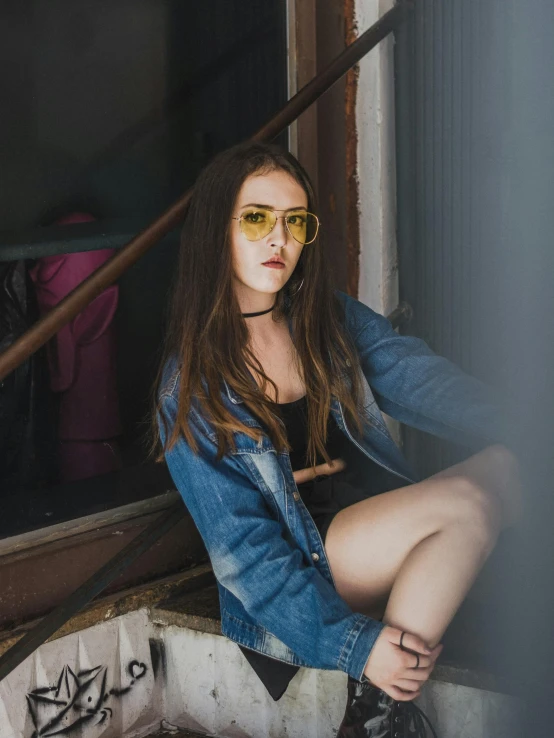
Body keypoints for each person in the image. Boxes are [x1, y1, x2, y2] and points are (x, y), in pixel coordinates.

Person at [153, 141, 521, 737]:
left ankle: (371, 720)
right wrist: (358, 646)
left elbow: (420, 379)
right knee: (472, 501)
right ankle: (378, 704)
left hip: (388, 528)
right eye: (256, 218)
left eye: (295, 221)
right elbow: (251, 561)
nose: (279, 239)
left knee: (512, 460)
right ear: (215, 230)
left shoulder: (328, 319)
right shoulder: (193, 388)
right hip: (313, 564)